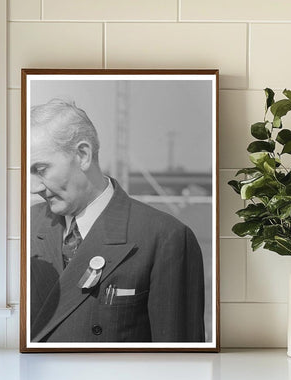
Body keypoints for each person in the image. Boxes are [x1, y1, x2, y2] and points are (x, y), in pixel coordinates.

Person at [29, 98, 205, 343]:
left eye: (40, 169)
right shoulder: (27, 227)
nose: (33, 187)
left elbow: (178, 363)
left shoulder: (165, 238)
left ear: (82, 155)